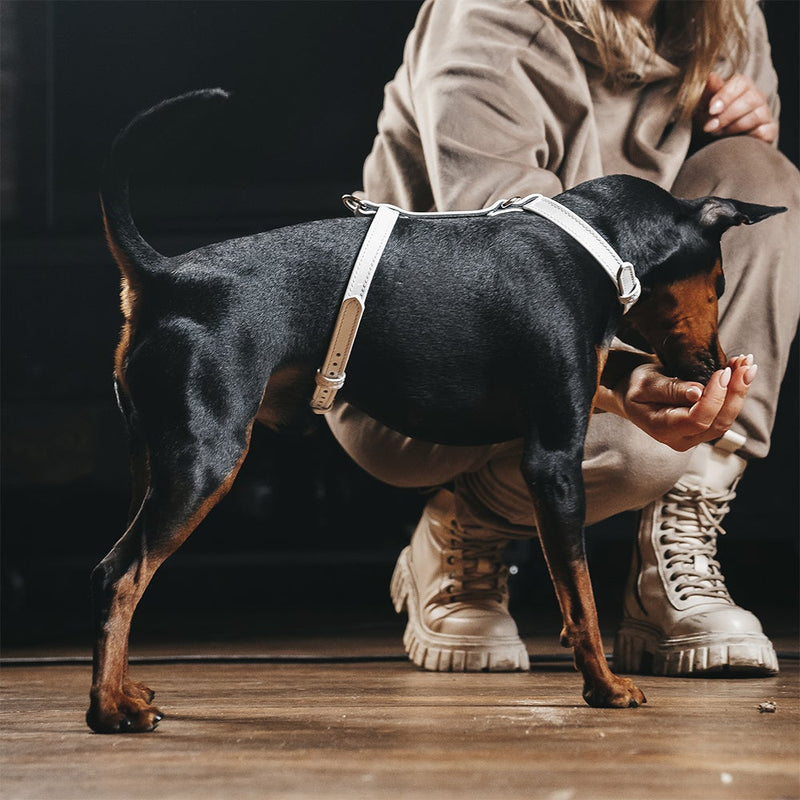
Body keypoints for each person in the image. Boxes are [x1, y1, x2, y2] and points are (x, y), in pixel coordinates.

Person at [327, 0, 799, 676]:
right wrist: (636, 383)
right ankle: (465, 529)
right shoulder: (485, 18)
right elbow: (515, 276)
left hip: (604, 329)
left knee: (758, 178)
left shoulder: (722, 14)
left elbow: (716, 248)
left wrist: (747, 132)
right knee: (639, 446)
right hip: (418, 368)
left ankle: (675, 545)